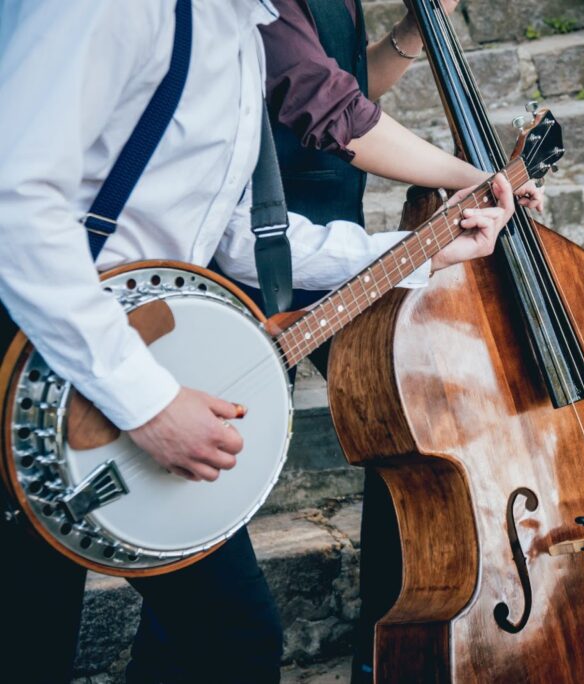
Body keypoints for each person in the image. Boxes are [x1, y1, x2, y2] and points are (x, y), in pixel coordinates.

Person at [0, 1, 516, 682]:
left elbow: (243, 236)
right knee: (26, 642)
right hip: (37, 350)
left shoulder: (242, 30)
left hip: (131, 360)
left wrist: (419, 249)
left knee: (227, 639)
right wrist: (149, 401)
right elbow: (14, 198)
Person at [255, 3, 542, 682]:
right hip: (271, 245)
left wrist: (412, 32)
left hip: (342, 245)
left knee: (408, 422)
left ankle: (387, 645)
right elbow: (325, 106)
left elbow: (353, 84)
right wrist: (461, 175)